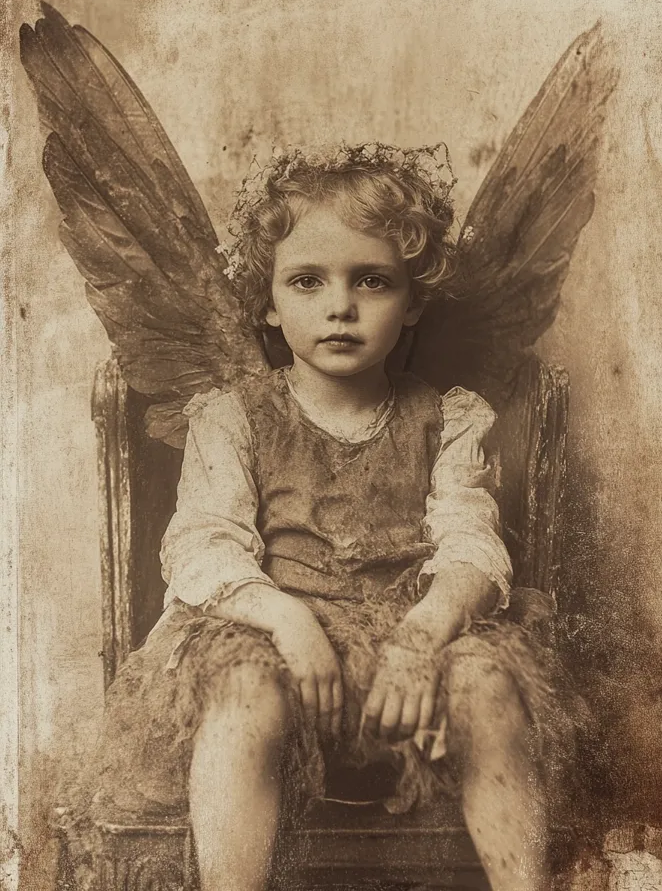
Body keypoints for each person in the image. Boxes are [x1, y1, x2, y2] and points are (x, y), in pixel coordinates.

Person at [80, 149, 571, 891]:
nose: (340, 306)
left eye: (371, 280)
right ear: (269, 302)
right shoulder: (235, 414)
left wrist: (422, 634)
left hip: (409, 668)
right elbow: (205, 541)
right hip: (285, 657)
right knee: (242, 689)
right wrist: (286, 620)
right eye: (307, 281)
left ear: (411, 303)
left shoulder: (447, 415)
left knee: (491, 684)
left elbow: (471, 540)